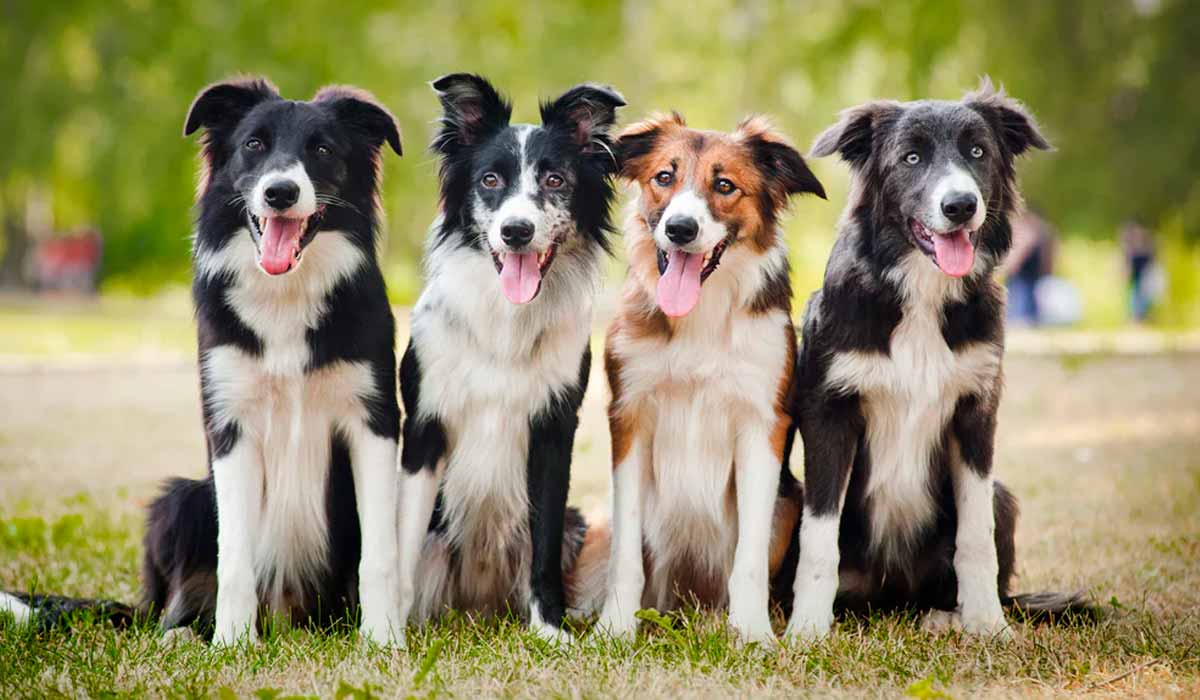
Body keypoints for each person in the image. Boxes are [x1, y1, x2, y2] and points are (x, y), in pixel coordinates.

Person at [1121, 220, 1157, 322]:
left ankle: (1142, 317)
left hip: (1145, 276)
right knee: (1134, 296)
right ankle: (1136, 317)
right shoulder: (1129, 245)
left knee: (1144, 297)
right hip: (1135, 276)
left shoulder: (1146, 244)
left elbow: (1151, 260)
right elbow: (1127, 261)